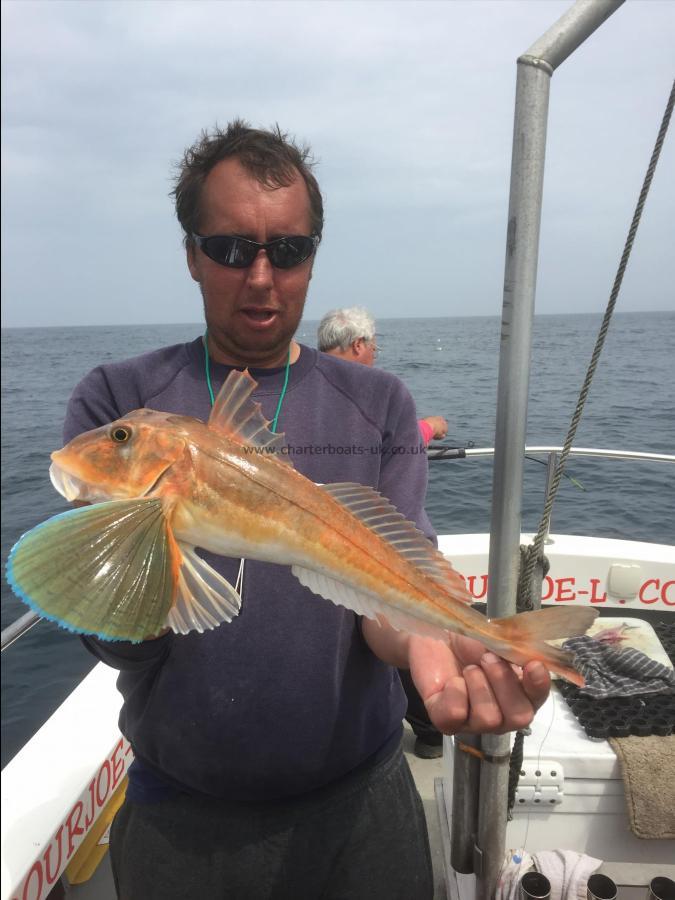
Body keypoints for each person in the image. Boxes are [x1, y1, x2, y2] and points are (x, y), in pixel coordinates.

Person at [64, 120, 551, 900]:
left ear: (312, 256)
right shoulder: (120, 402)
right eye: (230, 248)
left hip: (359, 799)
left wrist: (436, 649)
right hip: (183, 807)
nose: (260, 276)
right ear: (191, 253)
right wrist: (143, 565)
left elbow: (384, 600)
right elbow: (110, 637)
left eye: (286, 250)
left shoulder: (377, 400)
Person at [318, 306, 448, 759]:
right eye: (374, 346)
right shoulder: (377, 394)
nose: (375, 353)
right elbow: (399, 442)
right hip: (386, 551)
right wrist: (433, 426)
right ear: (359, 346)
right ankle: (429, 730)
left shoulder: (302, 395)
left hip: (324, 552)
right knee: (411, 626)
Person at [317, 307, 449, 445]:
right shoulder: (365, 388)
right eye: (373, 349)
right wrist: (430, 427)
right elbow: (396, 444)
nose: (374, 358)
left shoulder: (307, 383)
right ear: (358, 345)